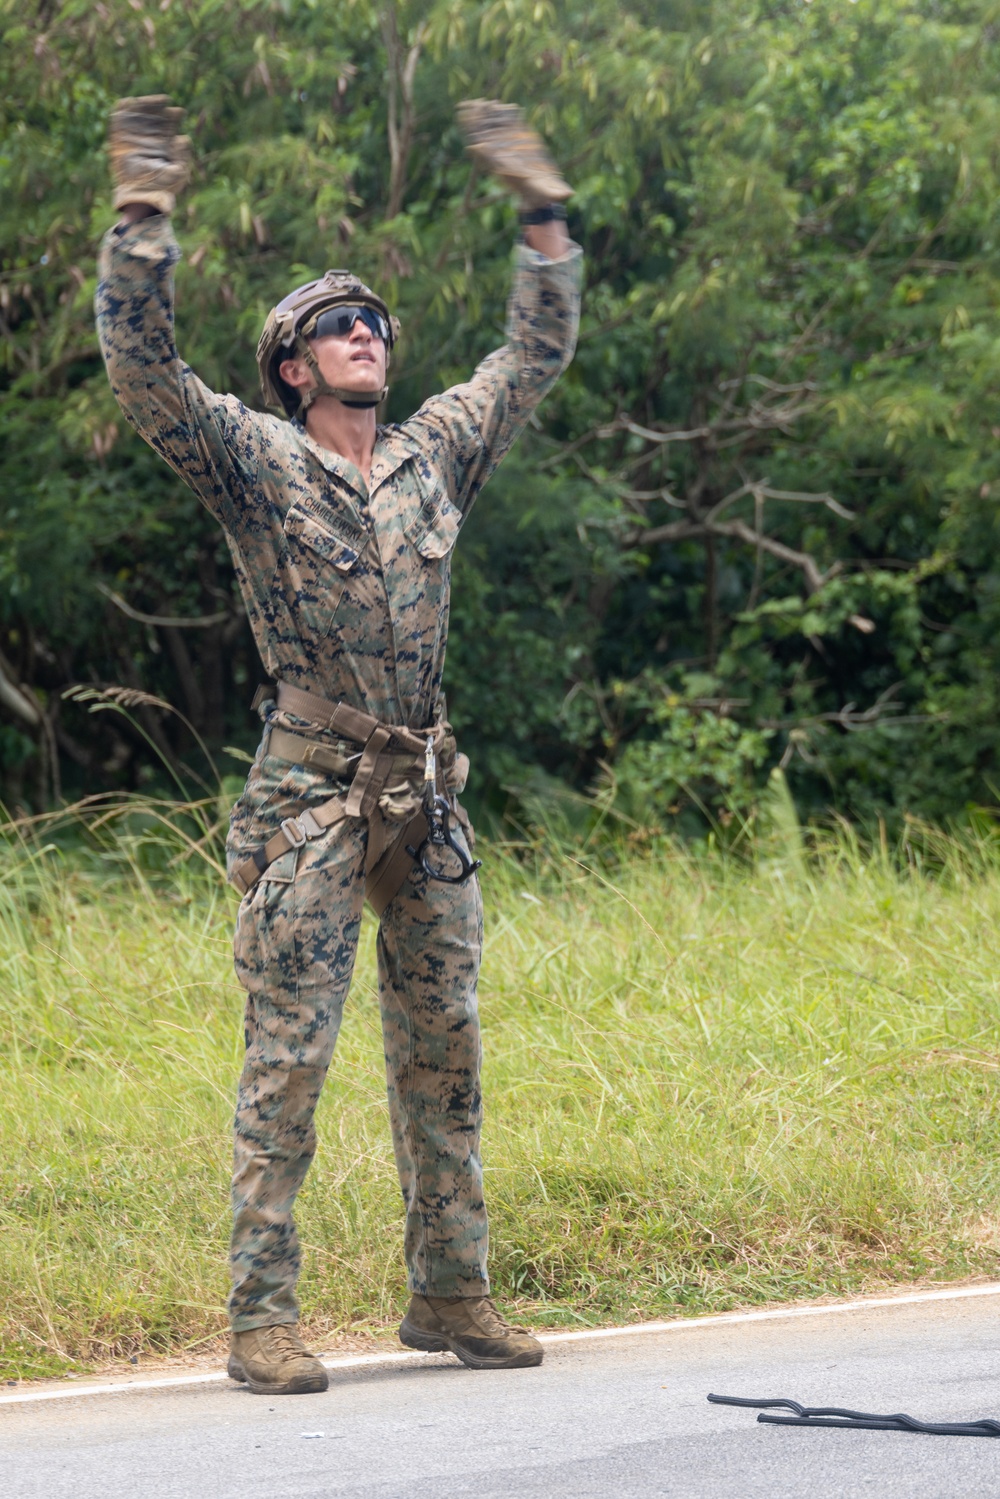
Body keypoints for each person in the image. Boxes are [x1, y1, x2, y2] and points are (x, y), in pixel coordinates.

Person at [96, 95, 582, 1395]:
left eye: (373, 322)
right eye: (335, 328)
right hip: (310, 788)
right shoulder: (254, 459)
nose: (365, 334)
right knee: (289, 1055)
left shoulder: (433, 459)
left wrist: (543, 218)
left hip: (427, 788)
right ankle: (263, 1318)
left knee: (447, 1045)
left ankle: (452, 1295)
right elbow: (145, 375)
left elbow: (529, 362)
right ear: (293, 366)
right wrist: (144, 218)